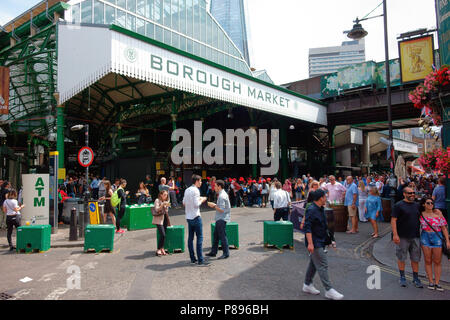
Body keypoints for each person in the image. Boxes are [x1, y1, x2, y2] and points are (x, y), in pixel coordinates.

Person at [303, 189, 344, 300]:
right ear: (321, 198)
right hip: (315, 242)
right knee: (322, 264)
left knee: (314, 263)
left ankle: (307, 284)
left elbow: (324, 227)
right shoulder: (311, 210)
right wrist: (310, 243)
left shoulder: (320, 208)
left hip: (320, 240)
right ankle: (328, 290)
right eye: (325, 197)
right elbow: (307, 228)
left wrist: (330, 240)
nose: (326, 198)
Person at [391, 187, 423, 288]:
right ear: (404, 194)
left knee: (415, 258)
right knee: (401, 257)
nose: (412, 194)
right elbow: (393, 220)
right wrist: (395, 234)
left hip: (415, 236)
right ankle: (402, 277)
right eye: (410, 193)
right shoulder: (398, 205)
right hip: (402, 236)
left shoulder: (417, 205)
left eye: (413, 193)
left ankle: (416, 278)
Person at [419, 196, 450, 291]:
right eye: (428, 203)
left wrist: (448, 240)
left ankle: (437, 283)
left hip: (437, 238)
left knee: (437, 261)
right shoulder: (420, 214)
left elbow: (444, 228)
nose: (430, 205)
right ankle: (431, 282)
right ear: (424, 204)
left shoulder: (438, 215)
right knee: (428, 261)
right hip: (425, 237)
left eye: (432, 203)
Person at [183, 174, 209, 266]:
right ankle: (200, 260)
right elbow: (196, 204)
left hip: (189, 217)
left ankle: (193, 259)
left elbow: (184, 203)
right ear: (197, 181)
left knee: (190, 238)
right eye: (200, 181)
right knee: (199, 238)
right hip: (196, 217)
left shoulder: (187, 190)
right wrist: (203, 199)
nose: (201, 183)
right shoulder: (196, 190)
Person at [206, 180, 231, 259]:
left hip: (221, 218)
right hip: (220, 218)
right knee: (216, 235)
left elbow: (222, 209)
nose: (214, 188)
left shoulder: (222, 196)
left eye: (215, 186)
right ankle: (214, 252)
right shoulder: (222, 194)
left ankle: (226, 253)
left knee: (222, 236)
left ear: (219, 186)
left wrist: (213, 206)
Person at [153, 190, 172, 257]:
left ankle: (162, 248)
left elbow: (167, 210)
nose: (165, 196)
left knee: (164, 235)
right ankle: (158, 249)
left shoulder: (166, 201)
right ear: (160, 195)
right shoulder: (157, 200)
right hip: (159, 220)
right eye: (164, 195)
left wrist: (166, 205)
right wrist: (162, 205)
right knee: (162, 234)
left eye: (166, 195)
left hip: (165, 219)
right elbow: (156, 209)